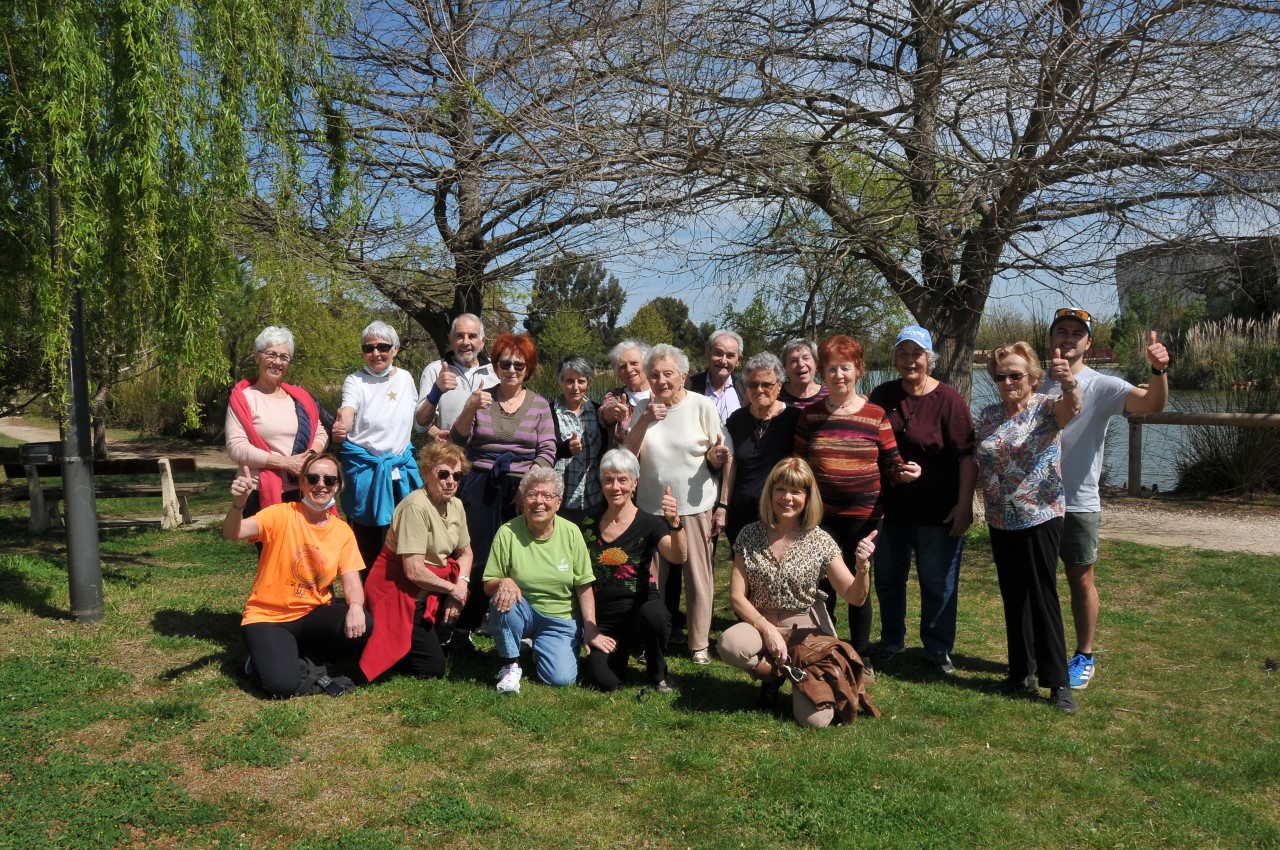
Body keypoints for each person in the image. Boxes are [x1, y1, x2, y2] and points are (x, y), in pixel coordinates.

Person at [1041, 307, 1171, 690]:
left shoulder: (1103, 385)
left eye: (1076, 334)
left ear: (1088, 343)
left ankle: (1084, 655)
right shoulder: (1030, 380)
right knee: (1038, 580)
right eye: (1061, 331)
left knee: (1081, 580)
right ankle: (1038, 654)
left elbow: (1152, 404)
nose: (1068, 339)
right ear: (1051, 339)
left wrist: (1158, 371)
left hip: (1079, 501)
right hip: (1034, 503)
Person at [717, 458, 877, 727]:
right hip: (761, 620)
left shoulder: (819, 539)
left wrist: (862, 567)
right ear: (770, 492)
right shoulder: (749, 534)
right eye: (780, 489)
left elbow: (855, 596)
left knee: (815, 721)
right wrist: (766, 629)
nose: (787, 498)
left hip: (806, 626)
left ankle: (796, 675)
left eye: (796, 491)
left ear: (807, 497)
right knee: (730, 645)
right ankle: (774, 674)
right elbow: (736, 596)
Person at [794, 335, 918, 673]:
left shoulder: (875, 414)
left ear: (858, 370)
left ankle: (861, 655)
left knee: (859, 584)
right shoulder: (810, 416)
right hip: (822, 519)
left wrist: (905, 473)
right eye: (831, 368)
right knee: (823, 586)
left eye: (845, 368)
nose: (838, 375)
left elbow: (892, 463)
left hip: (865, 518)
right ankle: (826, 647)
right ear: (823, 372)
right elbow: (799, 467)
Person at [975, 341, 1082, 714]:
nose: (1008, 381)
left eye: (1015, 375)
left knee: (1042, 596)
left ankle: (1058, 683)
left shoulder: (1046, 409)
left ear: (1034, 378)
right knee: (1014, 596)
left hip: (1040, 515)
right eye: (1001, 375)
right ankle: (1020, 672)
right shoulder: (987, 416)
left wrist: (1068, 382)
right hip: (1000, 518)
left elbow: (1073, 408)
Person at [867, 325, 976, 674]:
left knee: (937, 582)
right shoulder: (882, 395)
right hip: (890, 511)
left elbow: (966, 457)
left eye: (917, 354)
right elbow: (868, 444)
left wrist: (964, 504)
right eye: (903, 353)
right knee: (887, 579)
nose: (910, 360)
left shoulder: (949, 400)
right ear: (895, 357)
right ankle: (892, 640)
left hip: (937, 512)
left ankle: (937, 646)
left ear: (929, 359)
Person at [224, 453, 368, 698]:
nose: (320, 485)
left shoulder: (342, 531)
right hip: (268, 616)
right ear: (302, 483)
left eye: (329, 480)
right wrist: (239, 504)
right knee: (282, 686)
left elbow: (352, 581)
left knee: (365, 622)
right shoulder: (280, 514)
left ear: (337, 487)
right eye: (313, 478)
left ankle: (295, 654)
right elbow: (232, 532)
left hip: (313, 614)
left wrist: (355, 606)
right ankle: (261, 662)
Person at [625, 343, 732, 664]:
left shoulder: (702, 406)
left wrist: (717, 459)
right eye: (654, 375)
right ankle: (652, 641)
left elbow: (718, 453)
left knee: (699, 579)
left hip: (696, 507)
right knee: (651, 582)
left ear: (683, 376)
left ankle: (698, 644)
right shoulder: (643, 408)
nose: (661, 381)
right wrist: (643, 420)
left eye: (668, 374)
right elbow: (628, 456)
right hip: (651, 510)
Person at [449, 332, 557, 651]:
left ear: (529, 368)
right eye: (505, 363)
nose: (511, 370)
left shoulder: (539, 405)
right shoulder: (482, 398)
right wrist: (469, 407)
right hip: (481, 484)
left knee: (520, 556)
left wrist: (528, 487)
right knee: (478, 555)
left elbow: (548, 449)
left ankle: (515, 625)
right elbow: (457, 439)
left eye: (519, 365)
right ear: (495, 366)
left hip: (523, 488)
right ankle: (463, 627)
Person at [483, 468, 610, 692]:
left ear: (559, 502)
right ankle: (510, 663)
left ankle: (538, 646)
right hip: (521, 609)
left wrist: (590, 628)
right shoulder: (507, 532)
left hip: (559, 618)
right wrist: (503, 582)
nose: (539, 502)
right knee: (501, 600)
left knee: (561, 679)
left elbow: (583, 584)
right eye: (532, 494)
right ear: (523, 500)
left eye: (547, 496)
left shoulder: (571, 533)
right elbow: (488, 584)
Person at [359, 442, 473, 682]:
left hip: (432, 586)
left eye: (457, 475)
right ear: (424, 473)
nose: (450, 480)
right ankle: (380, 635)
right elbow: (413, 572)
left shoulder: (457, 505)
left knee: (479, 580)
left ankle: (432, 631)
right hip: (399, 591)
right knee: (432, 668)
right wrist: (454, 590)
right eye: (443, 474)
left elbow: (466, 553)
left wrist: (460, 587)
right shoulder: (415, 506)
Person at [579, 449, 687, 692]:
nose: (615, 486)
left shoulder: (650, 523)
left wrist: (675, 525)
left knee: (656, 617)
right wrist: (590, 626)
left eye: (622, 479)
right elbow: (580, 577)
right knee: (607, 682)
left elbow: (678, 556)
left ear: (635, 484)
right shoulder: (587, 524)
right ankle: (619, 653)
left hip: (641, 609)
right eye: (609, 479)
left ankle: (657, 670)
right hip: (605, 617)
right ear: (601, 482)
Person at [333, 321, 422, 569]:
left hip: (400, 473)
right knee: (368, 547)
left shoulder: (405, 379)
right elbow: (348, 408)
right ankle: (368, 603)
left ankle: (400, 603)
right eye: (368, 348)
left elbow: (413, 417)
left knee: (405, 544)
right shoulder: (355, 380)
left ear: (396, 349)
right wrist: (344, 424)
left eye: (383, 347)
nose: (375, 354)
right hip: (366, 473)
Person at [225, 326, 329, 517]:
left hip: (304, 488)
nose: (277, 362)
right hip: (260, 491)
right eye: (271, 355)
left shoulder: (299, 397)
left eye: (284, 357)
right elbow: (236, 447)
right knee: (272, 547)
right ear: (257, 357)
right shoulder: (244, 399)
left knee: (307, 546)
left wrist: (310, 456)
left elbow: (320, 431)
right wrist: (284, 463)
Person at [715, 351, 801, 546]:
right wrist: (723, 506)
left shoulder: (795, 419)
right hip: (742, 515)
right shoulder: (737, 420)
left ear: (779, 386)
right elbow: (731, 462)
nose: (759, 389)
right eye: (752, 384)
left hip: (782, 514)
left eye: (766, 384)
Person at [415, 313, 499, 442]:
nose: (465, 342)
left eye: (472, 336)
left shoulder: (497, 371)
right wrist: (436, 391)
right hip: (449, 456)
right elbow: (420, 425)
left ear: (483, 342)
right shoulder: (434, 370)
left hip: (486, 459)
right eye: (459, 336)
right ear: (450, 339)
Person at [551, 354, 606, 525]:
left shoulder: (598, 411)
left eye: (581, 381)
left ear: (588, 382)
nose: (575, 387)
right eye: (569, 381)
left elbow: (605, 451)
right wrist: (565, 448)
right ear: (560, 382)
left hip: (592, 499)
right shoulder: (547, 412)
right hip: (559, 501)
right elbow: (542, 450)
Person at [598, 339, 652, 449]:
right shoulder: (615, 395)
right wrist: (613, 411)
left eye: (634, 363)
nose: (629, 369)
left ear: (646, 364)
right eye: (622, 366)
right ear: (618, 373)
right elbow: (603, 414)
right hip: (624, 464)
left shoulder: (661, 393)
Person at [686, 328, 746, 423]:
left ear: (738, 360)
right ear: (707, 352)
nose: (723, 361)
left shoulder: (746, 389)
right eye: (718, 353)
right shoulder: (687, 386)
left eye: (730, 356)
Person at [778, 338, 828, 409]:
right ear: (784, 368)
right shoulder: (776, 394)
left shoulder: (830, 394)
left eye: (806, 358)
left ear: (816, 363)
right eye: (793, 361)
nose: (801, 364)